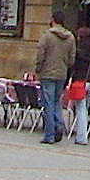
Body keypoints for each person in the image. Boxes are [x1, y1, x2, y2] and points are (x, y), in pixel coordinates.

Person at [33, 9, 74, 144]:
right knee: (57, 101)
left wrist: (38, 69)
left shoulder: (47, 36)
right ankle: (59, 125)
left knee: (48, 103)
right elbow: (72, 59)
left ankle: (49, 134)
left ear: (53, 20)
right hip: (61, 74)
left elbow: (40, 54)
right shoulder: (70, 37)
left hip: (47, 73)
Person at [67, 24, 90, 144]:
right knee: (85, 109)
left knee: (81, 109)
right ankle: (83, 133)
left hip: (80, 82)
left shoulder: (78, 52)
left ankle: (81, 137)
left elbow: (72, 68)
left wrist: (68, 81)